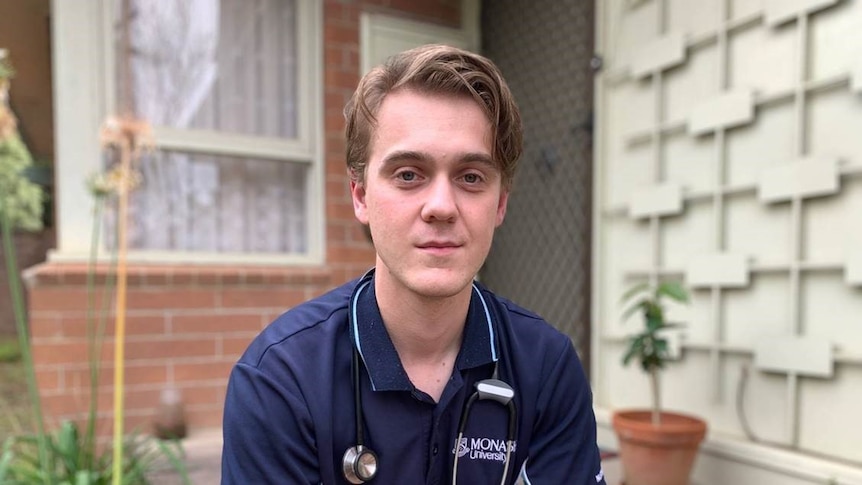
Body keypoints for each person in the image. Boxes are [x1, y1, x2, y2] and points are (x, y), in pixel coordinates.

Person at [221, 44, 606, 485]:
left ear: (500, 203)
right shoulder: (280, 380)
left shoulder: (546, 368)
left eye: (471, 177)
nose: (441, 206)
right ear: (360, 195)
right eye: (408, 174)